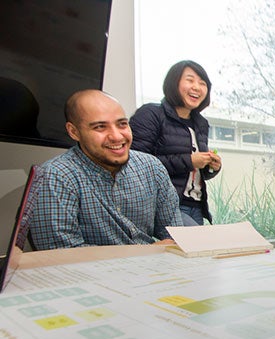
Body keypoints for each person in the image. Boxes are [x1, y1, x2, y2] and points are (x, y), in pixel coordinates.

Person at [28, 90, 183, 250]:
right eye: (100, 127)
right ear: (74, 132)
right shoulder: (56, 176)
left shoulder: (152, 167)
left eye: (122, 124)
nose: (116, 136)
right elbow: (59, 253)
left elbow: (175, 235)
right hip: (91, 274)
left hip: (155, 270)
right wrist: (144, 252)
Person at [130, 60, 221, 225]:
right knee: (201, 246)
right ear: (174, 82)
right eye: (190, 80)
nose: (197, 87)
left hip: (196, 205)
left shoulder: (200, 123)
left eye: (202, 83)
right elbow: (137, 164)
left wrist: (212, 167)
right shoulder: (151, 114)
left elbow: (197, 172)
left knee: (199, 249)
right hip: (165, 204)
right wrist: (189, 160)